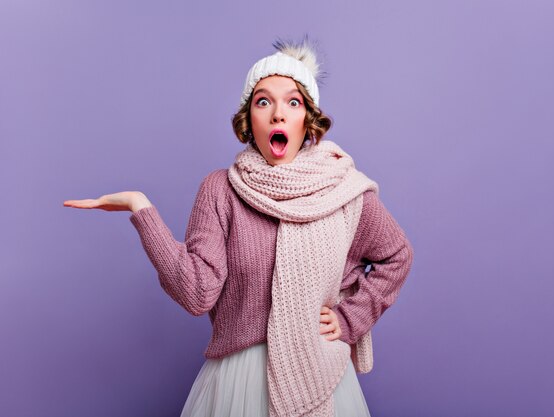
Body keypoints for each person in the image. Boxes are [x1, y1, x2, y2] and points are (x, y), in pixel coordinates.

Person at [64, 38, 413, 417]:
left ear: (307, 121)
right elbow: (197, 292)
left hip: (319, 374)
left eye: (292, 102)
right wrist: (141, 207)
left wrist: (350, 318)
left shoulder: (343, 190)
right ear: (250, 119)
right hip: (238, 384)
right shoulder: (221, 189)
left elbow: (397, 256)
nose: (278, 114)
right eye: (264, 101)